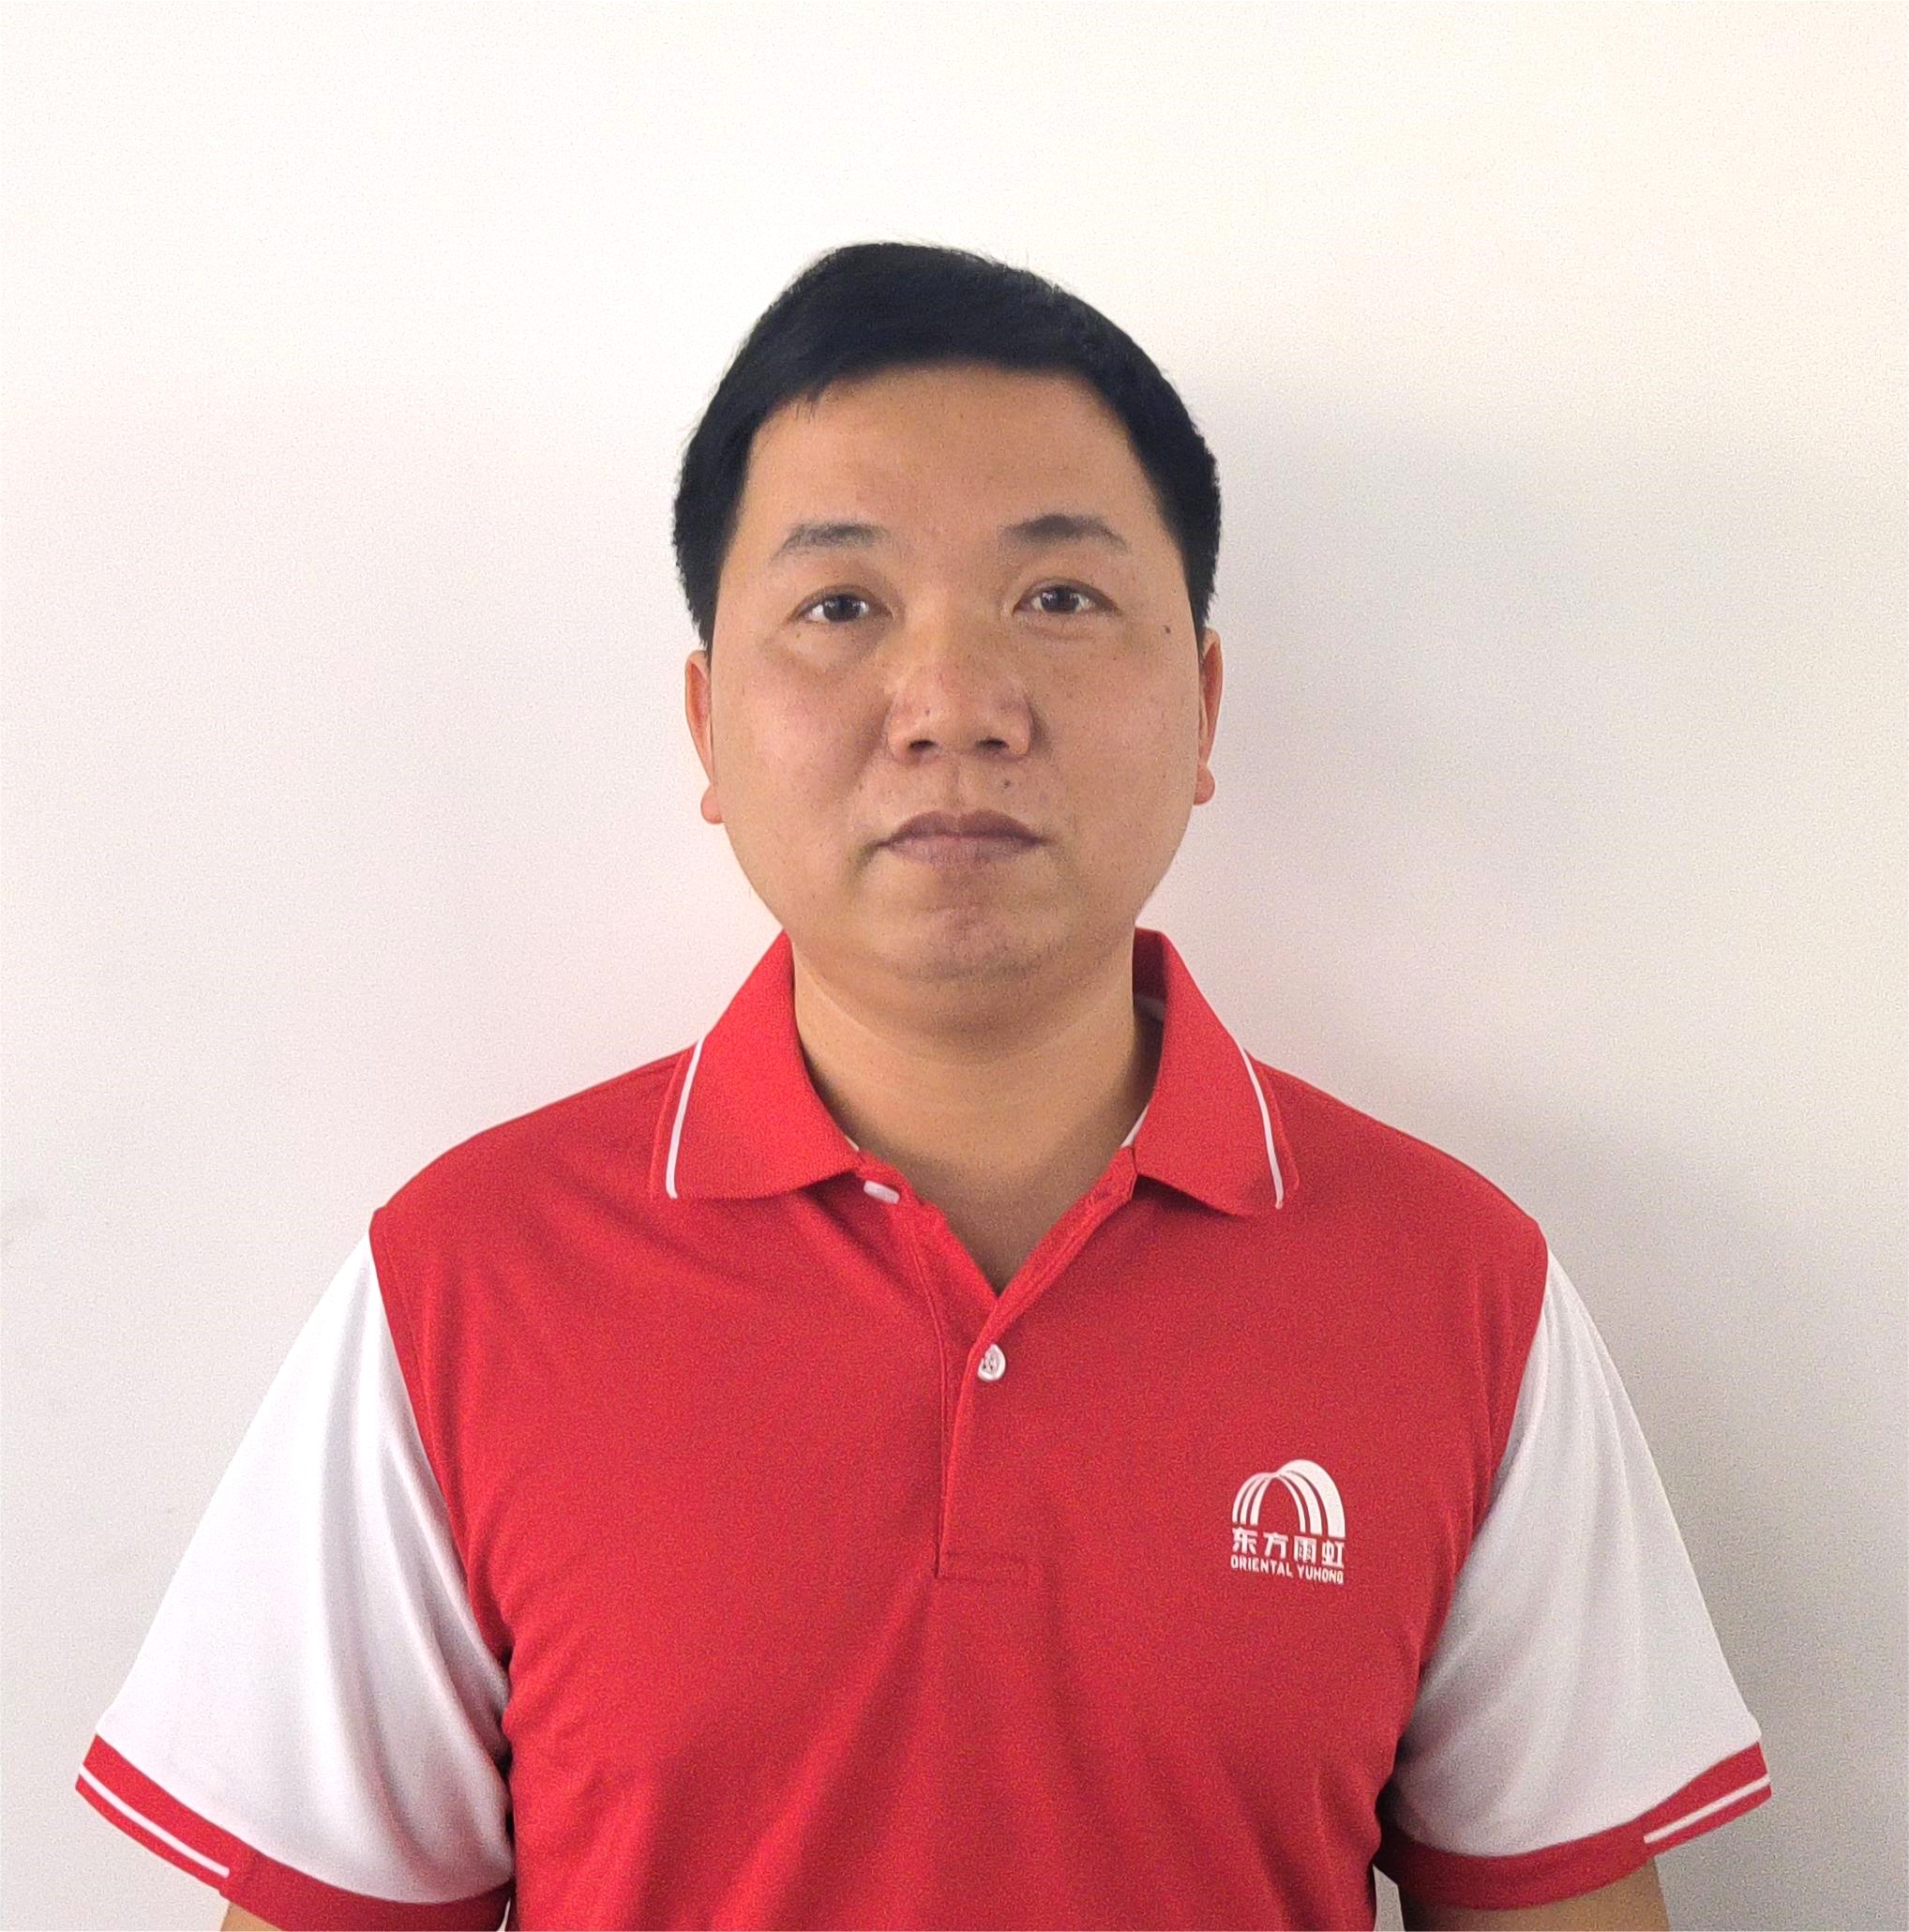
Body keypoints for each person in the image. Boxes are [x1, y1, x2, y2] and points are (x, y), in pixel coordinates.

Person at [77, 241, 1770, 1931]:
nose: (956, 707)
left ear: (1202, 705)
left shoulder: (1457, 1290)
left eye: (1060, 599)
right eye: (842, 608)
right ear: (708, 726)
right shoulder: (464, 1285)